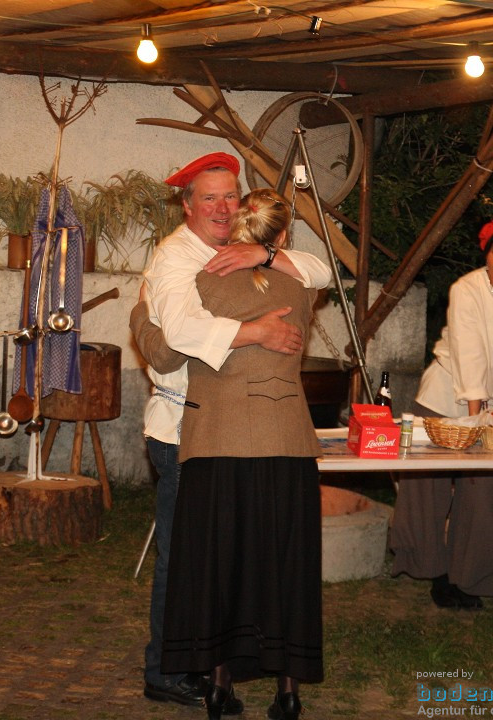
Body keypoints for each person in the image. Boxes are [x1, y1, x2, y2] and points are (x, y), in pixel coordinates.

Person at [136, 153, 330, 711]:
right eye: (210, 198)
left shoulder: (239, 252)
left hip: (227, 424)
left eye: (230, 197)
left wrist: (267, 252)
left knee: (215, 555)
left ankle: (204, 663)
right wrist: (256, 332)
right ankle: (166, 671)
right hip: (181, 426)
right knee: (184, 556)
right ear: (187, 204)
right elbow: (176, 331)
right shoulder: (176, 257)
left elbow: (319, 272)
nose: (222, 208)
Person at [389, 215, 493, 610]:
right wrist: (474, 414)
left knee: (485, 493)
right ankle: (432, 571)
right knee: (427, 489)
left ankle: (469, 579)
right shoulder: (467, 288)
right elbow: (469, 349)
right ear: (486, 255)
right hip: (445, 395)